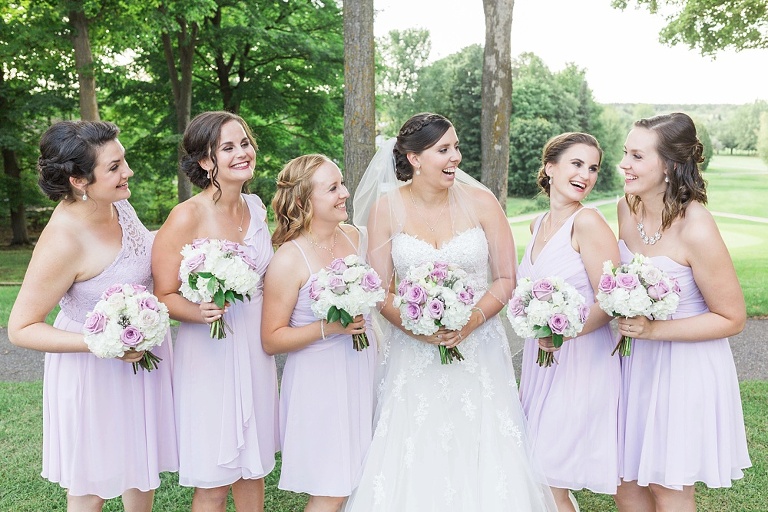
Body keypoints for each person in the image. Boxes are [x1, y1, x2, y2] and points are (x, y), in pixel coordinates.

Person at [344, 112, 557, 511]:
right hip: (413, 353)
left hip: (479, 351)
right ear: (414, 158)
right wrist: (415, 327)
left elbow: (506, 279)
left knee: (484, 447)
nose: (456, 157)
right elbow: (377, 289)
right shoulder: (386, 209)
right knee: (416, 447)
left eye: (456, 147)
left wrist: (471, 320)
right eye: (444, 149)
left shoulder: (482, 202)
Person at [8, 121, 177, 511]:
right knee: (91, 484)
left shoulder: (119, 203)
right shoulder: (62, 240)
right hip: (91, 370)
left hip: (140, 364)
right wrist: (103, 343)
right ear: (79, 180)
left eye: (124, 161)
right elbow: (20, 328)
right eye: (115, 167)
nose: (128, 172)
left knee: (140, 466)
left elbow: (141, 255)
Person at [614, 112, 751, 512]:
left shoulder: (697, 226)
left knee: (667, 486)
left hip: (683, 369)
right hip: (634, 365)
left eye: (637, 156)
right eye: (625, 153)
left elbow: (732, 317)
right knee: (626, 483)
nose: (624, 164)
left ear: (670, 165)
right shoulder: (627, 209)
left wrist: (652, 330)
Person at [151, 111, 279, 512]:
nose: (243, 153)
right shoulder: (187, 215)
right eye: (228, 147)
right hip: (209, 351)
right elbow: (164, 293)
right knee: (214, 475)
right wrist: (199, 311)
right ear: (207, 162)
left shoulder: (257, 207)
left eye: (245, 143)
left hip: (255, 349)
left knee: (253, 470)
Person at [261, 154, 376, 512]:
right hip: (320, 383)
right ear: (304, 201)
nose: (344, 193)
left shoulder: (355, 237)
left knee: (361, 478)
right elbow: (271, 339)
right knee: (332, 488)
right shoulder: (289, 259)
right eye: (332, 188)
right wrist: (329, 327)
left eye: (341, 183)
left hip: (362, 370)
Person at [517, 133, 621, 511]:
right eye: (577, 164)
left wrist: (564, 330)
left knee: (550, 478)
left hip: (580, 364)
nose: (586, 175)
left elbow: (612, 301)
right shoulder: (536, 225)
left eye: (592, 168)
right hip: (541, 363)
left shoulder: (588, 222)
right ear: (550, 168)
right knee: (540, 475)